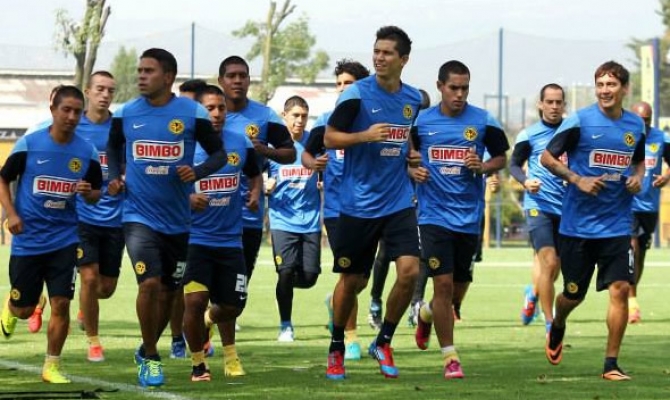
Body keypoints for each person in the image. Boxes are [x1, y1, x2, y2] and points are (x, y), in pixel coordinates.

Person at [106, 48, 226, 388]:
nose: (141, 76)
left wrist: (197, 171)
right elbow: (113, 148)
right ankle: (151, 356)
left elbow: (219, 154)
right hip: (137, 215)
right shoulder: (126, 113)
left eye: (149, 71)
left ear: (168, 76)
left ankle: (145, 348)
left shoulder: (192, 113)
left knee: (170, 293)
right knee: (149, 283)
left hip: (178, 221)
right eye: (140, 70)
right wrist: (115, 177)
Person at [324, 26, 422, 380]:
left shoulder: (413, 99)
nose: (379, 57)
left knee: (409, 271)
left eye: (387, 53)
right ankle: (337, 346)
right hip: (358, 204)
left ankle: (384, 341)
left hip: (398, 201)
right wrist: (364, 135)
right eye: (376, 51)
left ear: (403, 59)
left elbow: (404, 137)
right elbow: (329, 137)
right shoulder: (356, 95)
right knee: (352, 282)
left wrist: (411, 155)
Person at [541, 61, 645, 381]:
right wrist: (577, 179)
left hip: (617, 225)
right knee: (573, 295)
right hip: (578, 227)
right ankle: (558, 322)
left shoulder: (635, 126)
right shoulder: (579, 121)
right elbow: (546, 157)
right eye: (600, 85)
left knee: (620, 289)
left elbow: (639, 162)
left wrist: (637, 178)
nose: (604, 90)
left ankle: (611, 364)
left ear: (624, 89)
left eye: (611, 84)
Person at [411, 60, 509, 379]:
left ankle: (426, 314)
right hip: (433, 215)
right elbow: (403, 156)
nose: (459, 94)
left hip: (468, 217)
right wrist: (412, 170)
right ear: (440, 86)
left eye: (465, 88)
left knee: (456, 290)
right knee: (441, 284)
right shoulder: (421, 122)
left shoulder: (482, 120)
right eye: (453, 88)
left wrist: (484, 167)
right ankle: (450, 357)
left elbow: (501, 157)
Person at [0, 86, 102, 383]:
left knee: (61, 303)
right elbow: (3, 179)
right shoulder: (30, 144)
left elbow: (96, 193)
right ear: (53, 110)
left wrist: (89, 192)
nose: (71, 116)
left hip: (65, 239)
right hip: (28, 240)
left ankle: (52, 366)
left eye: (77, 112)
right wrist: (12, 214)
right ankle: (12, 307)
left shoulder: (87, 152)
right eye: (66, 110)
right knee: (24, 310)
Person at [182, 85, 261, 381]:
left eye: (221, 108)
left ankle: (209, 323)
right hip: (194, 239)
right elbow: (162, 188)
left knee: (232, 305)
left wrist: (255, 193)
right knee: (194, 300)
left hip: (230, 240)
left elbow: (255, 174)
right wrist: (188, 198)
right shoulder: (185, 146)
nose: (216, 114)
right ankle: (200, 364)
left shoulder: (239, 142)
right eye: (209, 109)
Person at [214, 56, 295, 342]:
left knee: (238, 287)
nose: (237, 80)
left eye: (243, 75)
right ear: (221, 80)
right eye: (231, 75)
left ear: (249, 80)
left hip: (248, 215)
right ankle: (208, 340)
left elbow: (290, 153)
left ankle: (213, 322)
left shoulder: (264, 116)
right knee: (206, 279)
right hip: (210, 215)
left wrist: (266, 151)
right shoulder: (208, 116)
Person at [303, 59, 370, 360]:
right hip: (336, 211)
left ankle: (335, 301)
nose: (342, 89)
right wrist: (314, 164)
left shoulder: (371, 122)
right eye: (339, 84)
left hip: (369, 209)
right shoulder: (325, 121)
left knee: (360, 280)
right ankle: (350, 338)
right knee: (350, 274)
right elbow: (306, 154)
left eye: (348, 84)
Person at [370, 88, 432, 330]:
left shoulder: (428, 133)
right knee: (385, 253)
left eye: (421, 111)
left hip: (422, 202)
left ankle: (416, 303)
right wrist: (409, 170)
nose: (417, 116)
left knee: (421, 254)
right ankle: (375, 301)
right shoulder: (397, 130)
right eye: (415, 111)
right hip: (393, 200)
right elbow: (389, 162)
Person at [74, 71, 124, 363]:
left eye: (110, 90)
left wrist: (122, 180)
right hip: (81, 217)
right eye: (100, 89)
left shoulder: (120, 129)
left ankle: (85, 307)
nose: (105, 95)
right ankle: (94, 341)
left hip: (115, 217)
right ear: (88, 91)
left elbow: (129, 165)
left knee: (105, 288)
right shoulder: (74, 126)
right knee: (89, 278)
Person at [510, 83, 566, 332]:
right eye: (549, 102)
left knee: (554, 269)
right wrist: (525, 181)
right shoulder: (529, 135)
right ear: (540, 104)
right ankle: (550, 324)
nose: (554, 107)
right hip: (538, 206)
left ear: (564, 105)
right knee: (549, 262)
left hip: (566, 209)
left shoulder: (572, 132)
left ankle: (532, 293)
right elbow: (514, 165)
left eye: (558, 102)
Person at [267, 96, 321, 342]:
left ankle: (283, 286)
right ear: (284, 116)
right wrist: (266, 184)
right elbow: (257, 173)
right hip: (282, 220)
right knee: (286, 270)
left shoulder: (314, 142)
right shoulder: (274, 146)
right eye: (295, 115)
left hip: (310, 220)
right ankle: (286, 325)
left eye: (304, 116)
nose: (300, 120)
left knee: (309, 278)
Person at [168, 77, 209, 359]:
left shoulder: (215, 143)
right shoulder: (172, 136)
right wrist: (185, 199)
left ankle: (201, 335)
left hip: (212, 231)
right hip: (175, 225)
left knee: (206, 292)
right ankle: (176, 340)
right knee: (175, 286)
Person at [628, 101, 670, 323]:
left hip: (649, 206)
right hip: (627, 203)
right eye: (639, 120)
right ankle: (631, 302)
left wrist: (666, 177)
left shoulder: (661, 138)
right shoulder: (624, 135)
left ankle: (631, 296)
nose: (643, 124)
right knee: (632, 246)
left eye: (647, 120)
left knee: (641, 254)